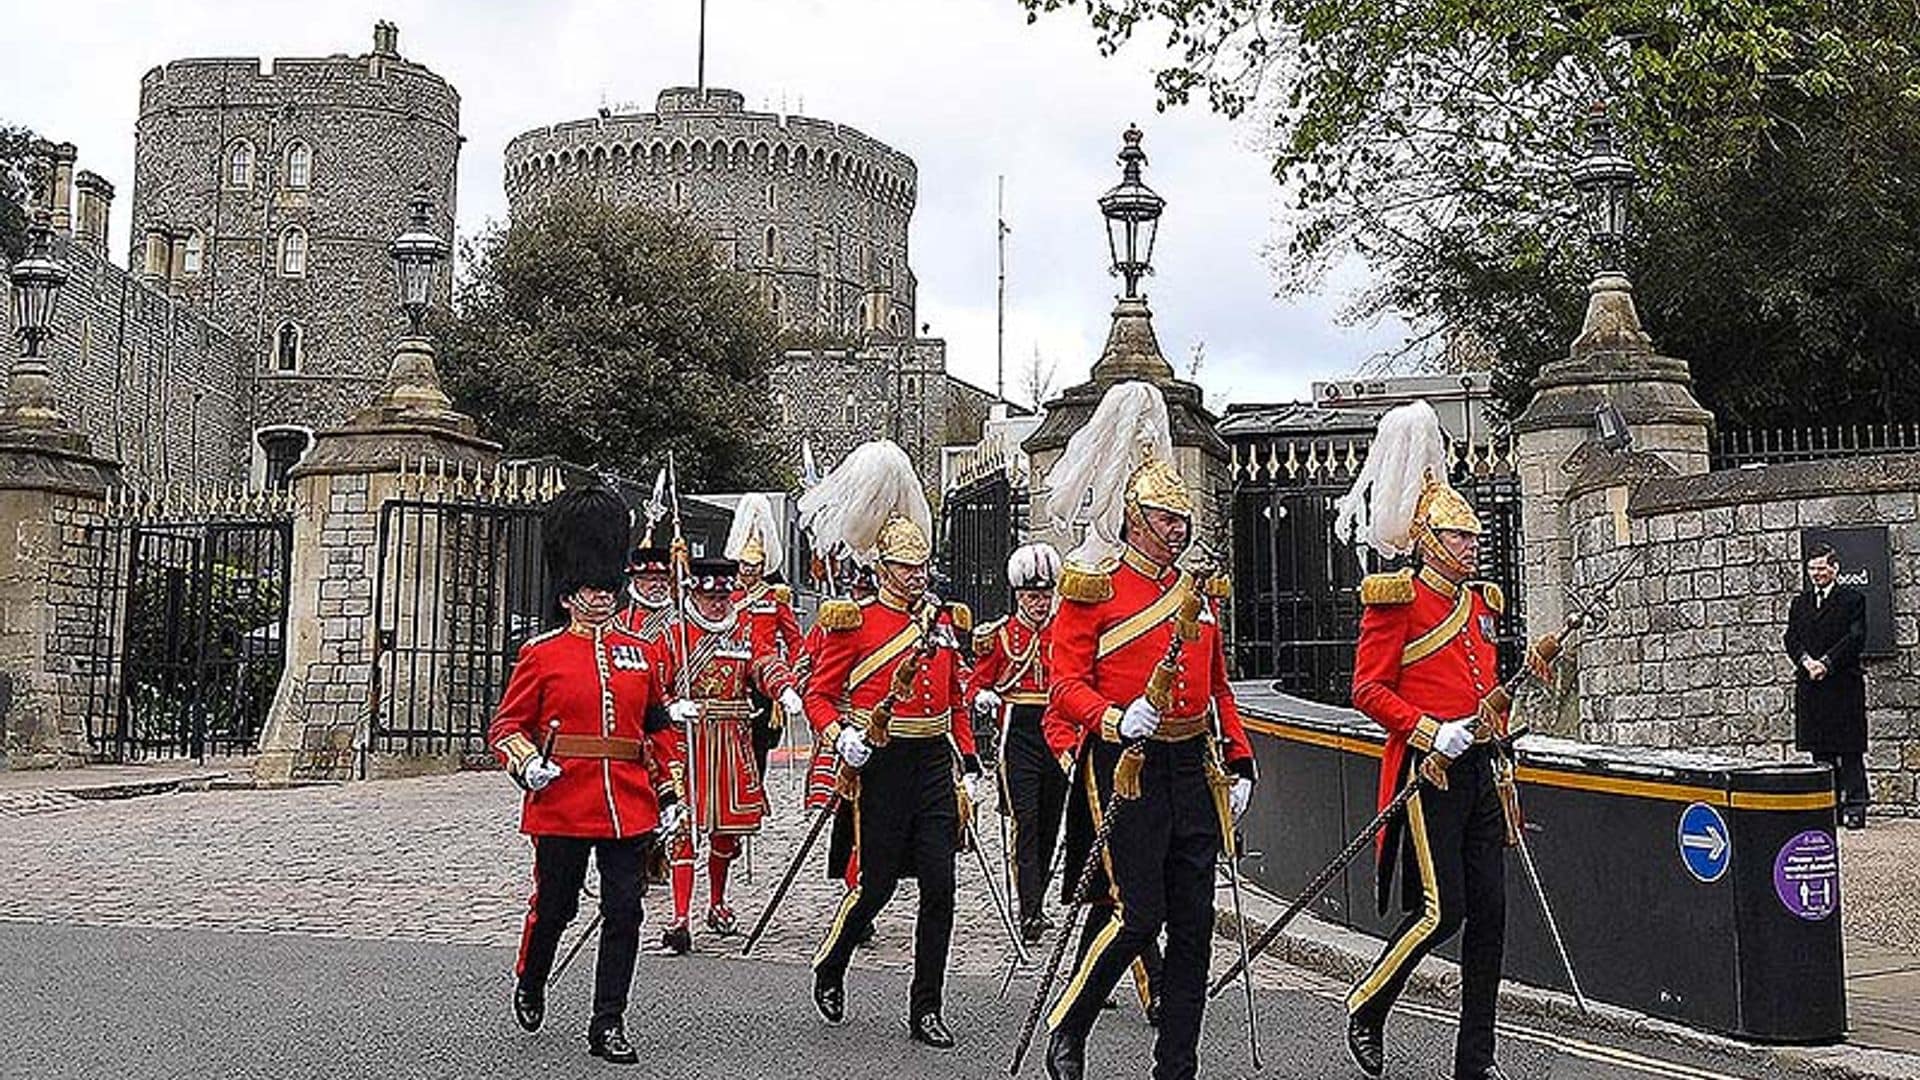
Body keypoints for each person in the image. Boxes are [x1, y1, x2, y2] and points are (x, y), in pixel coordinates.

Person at [1039, 382, 1257, 1080]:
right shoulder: (1094, 587)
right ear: (1134, 520)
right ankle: (1069, 1025)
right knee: (1137, 915)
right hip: (1124, 762)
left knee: (1194, 927)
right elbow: (1064, 683)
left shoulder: (1199, 596)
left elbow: (1218, 687)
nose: (1179, 529)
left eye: (1181, 518)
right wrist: (1109, 717)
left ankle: (1177, 1066)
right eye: (1165, 518)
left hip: (1193, 763)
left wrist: (1241, 759)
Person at [1333, 400, 1512, 1080]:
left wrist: (1493, 720)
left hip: (1482, 772)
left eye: (1472, 537)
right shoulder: (1396, 600)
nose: (1472, 546)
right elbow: (1369, 691)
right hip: (1427, 768)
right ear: (1429, 539)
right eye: (1459, 538)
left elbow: (1484, 680)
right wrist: (1434, 729)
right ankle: (1368, 1003)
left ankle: (1476, 1060)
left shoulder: (1481, 604)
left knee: (1490, 919)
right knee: (1444, 910)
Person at [487, 485, 695, 1065]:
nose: (601, 599)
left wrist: (671, 791)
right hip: (563, 800)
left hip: (627, 802)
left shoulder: (641, 651)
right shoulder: (542, 654)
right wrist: (528, 763)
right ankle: (532, 976)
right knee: (556, 907)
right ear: (569, 594)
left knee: (625, 909)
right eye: (590, 590)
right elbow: (507, 727)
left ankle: (608, 1020)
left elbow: (656, 729)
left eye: (607, 589)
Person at [797, 439, 983, 1049]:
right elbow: (820, 694)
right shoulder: (852, 622)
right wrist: (838, 737)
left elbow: (953, 696)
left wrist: (969, 757)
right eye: (905, 568)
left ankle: (926, 1006)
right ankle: (832, 959)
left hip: (931, 761)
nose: (915, 576)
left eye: (920, 567)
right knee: (874, 886)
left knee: (940, 887)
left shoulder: (944, 622)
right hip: (880, 761)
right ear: (882, 568)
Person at [653, 556, 805, 951]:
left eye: (724, 595)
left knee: (727, 830)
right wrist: (670, 705)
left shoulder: (741, 628)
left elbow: (763, 661)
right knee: (682, 826)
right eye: (710, 597)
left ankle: (717, 902)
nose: (719, 604)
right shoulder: (674, 634)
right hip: (687, 740)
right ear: (694, 594)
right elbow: (654, 683)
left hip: (731, 737)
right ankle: (680, 915)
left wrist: (783, 687)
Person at [968, 542, 1067, 945]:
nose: (1040, 603)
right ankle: (1029, 909)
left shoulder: (1065, 630)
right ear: (1018, 596)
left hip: (1058, 730)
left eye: (1045, 595)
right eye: (1032, 595)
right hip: (1018, 733)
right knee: (1025, 821)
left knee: (1049, 823)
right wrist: (982, 696)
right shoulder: (1002, 635)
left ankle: (1037, 898)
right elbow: (976, 682)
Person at [1785, 542, 1870, 829]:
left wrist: (1827, 663)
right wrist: (1806, 661)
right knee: (1821, 753)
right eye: (1812, 569)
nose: (1817, 574)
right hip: (1812, 686)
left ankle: (1855, 807)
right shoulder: (1800, 603)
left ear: (1835, 569)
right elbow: (1791, 638)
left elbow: (1855, 637)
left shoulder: (1852, 599)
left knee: (1850, 750)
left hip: (1842, 684)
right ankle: (1828, 807)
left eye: (1822, 568)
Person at [728, 493, 805, 780]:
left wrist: (795, 672)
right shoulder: (726, 596)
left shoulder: (775, 598)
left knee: (761, 741)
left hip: (765, 680)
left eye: (754, 566)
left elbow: (794, 639)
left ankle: (755, 788)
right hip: (733, 675)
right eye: (745, 565)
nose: (748, 571)